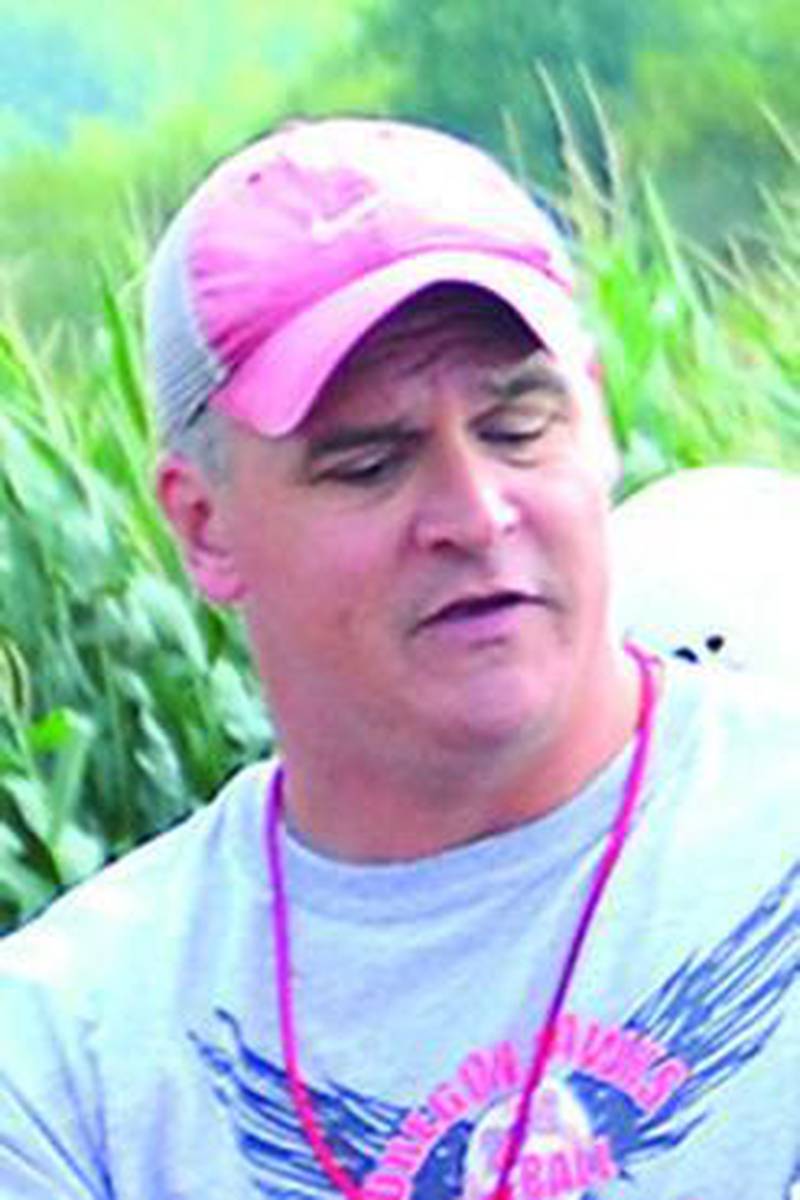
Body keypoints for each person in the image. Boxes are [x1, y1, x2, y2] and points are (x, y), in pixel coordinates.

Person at [0, 117, 797, 1200]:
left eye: (517, 428)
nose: (475, 513)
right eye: (369, 464)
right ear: (202, 525)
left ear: (600, 421)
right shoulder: (69, 1064)